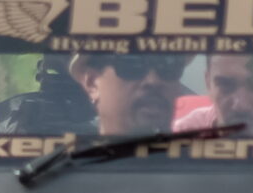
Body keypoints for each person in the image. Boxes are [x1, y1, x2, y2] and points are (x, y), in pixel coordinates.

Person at [66, 50, 196, 135]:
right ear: (92, 83)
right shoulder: (67, 171)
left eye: (169, 65)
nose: (153, 81)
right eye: (132, 64)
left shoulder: (206, 170)